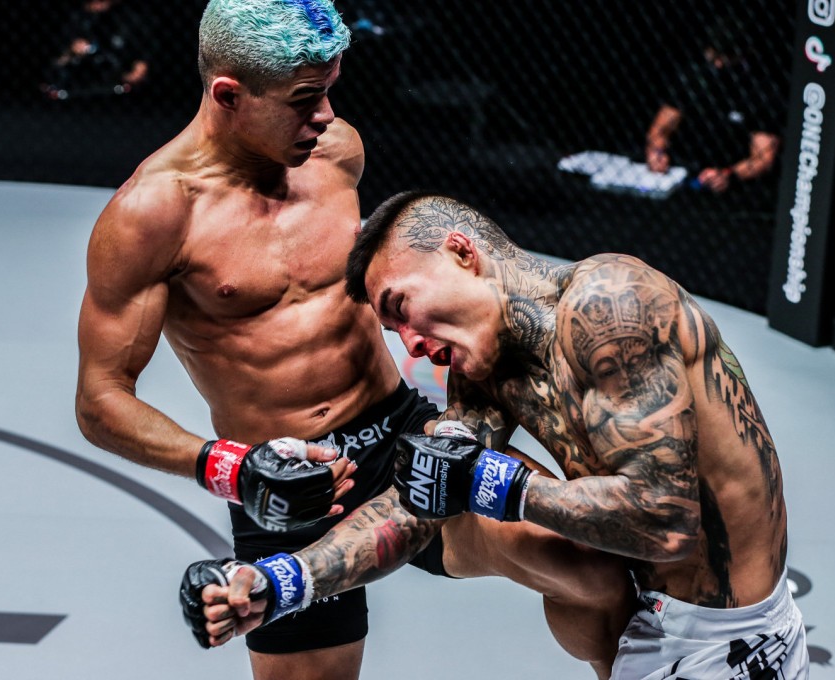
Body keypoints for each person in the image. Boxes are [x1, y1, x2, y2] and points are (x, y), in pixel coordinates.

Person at [77, 2, 631, 678]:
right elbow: (100, 401)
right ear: (229, 95)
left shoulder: (335, 152)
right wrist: (235, 470)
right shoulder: (152, 215)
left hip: (401, 437)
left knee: (593, 565)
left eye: (331, 90)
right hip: (287, 486)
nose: (327, 116)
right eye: (305, 99)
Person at [199, 190, 808, 679]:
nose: (410, 345)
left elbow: (667, 521)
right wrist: (282, 582)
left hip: (733, 643)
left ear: (462, 253)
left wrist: (497, 485)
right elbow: (420, 501)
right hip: (648, 633)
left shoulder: (611, 304)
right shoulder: (484, 371)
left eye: (402, 306)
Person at [644, 17, 781, 194]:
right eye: (715, 55)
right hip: (682, 173)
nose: (719, 64)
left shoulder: (760, 91)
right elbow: (660, 129)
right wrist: (656, 152)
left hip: (732, 183)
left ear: (744, 55)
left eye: (727, 57)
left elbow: (763, 159)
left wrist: (728, 174)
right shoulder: (694, 78)